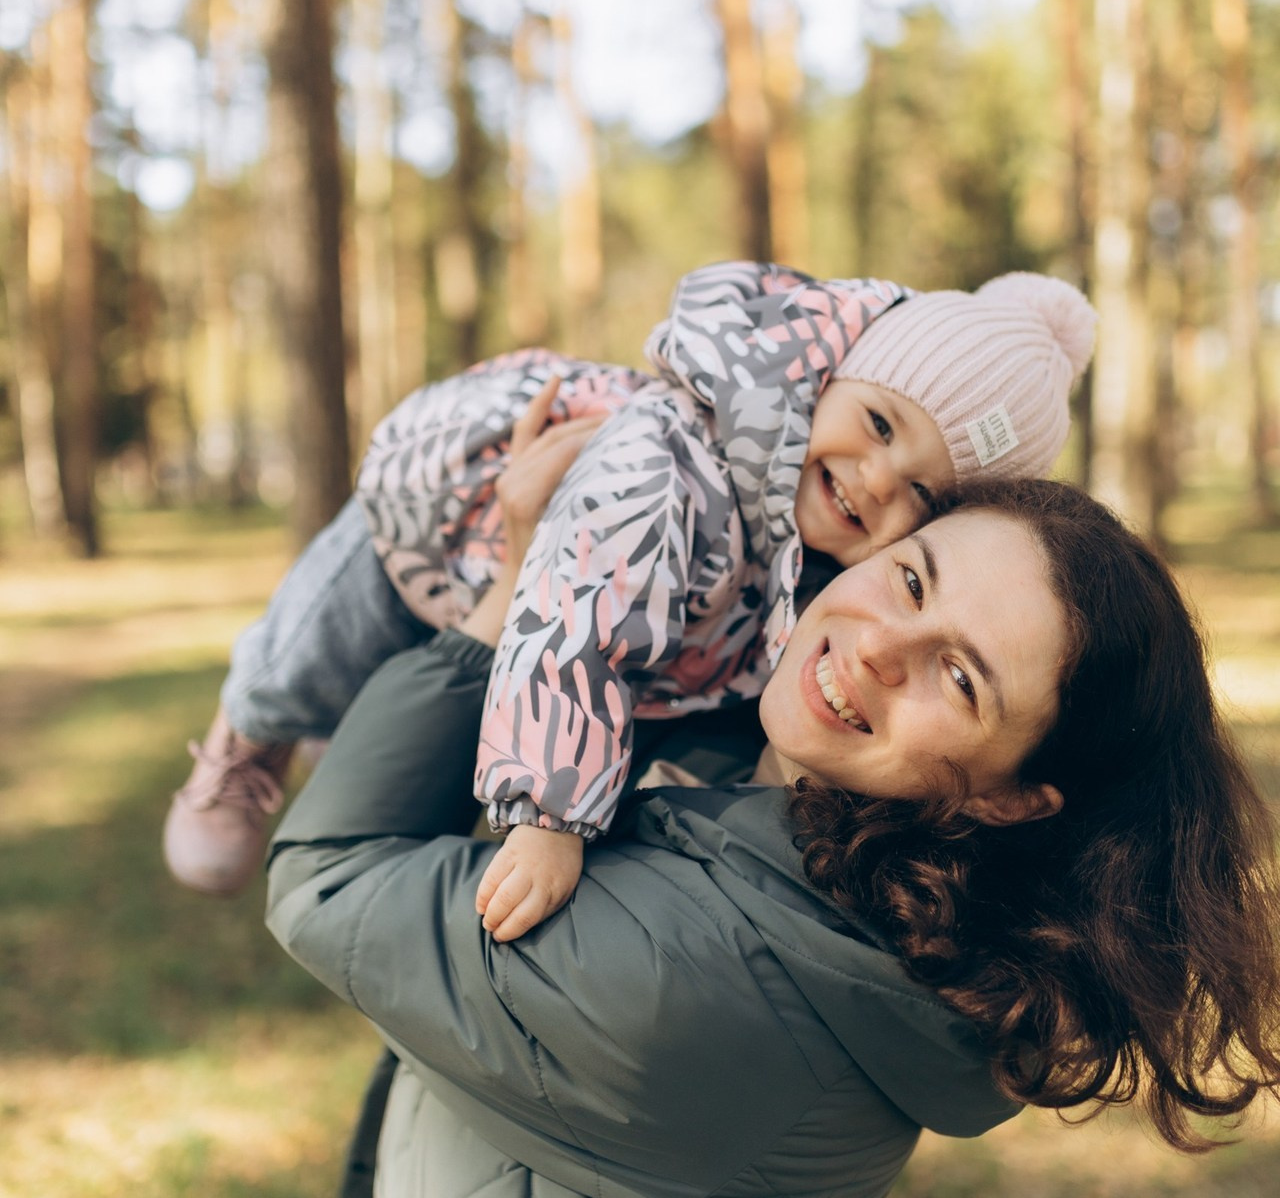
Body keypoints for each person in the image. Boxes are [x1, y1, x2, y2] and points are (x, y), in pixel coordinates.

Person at [264, 431, 1280, 1196]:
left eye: (959, 675)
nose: (880, 643)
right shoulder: (781, 812)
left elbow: (326, 876)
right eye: (911, 577)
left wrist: (517, 596)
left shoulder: (696, 980)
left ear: (1009, 795)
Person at [166, 261, 1095, 917]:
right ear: (826, 377)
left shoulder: (820, 553)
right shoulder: (672, 468)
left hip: (558, 609)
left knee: (406, 707)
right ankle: (243, 741)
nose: (879, 480)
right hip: (440, 512)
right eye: (880, 423)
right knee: (319, 638)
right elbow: (580, 619)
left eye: (925, 491)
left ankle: (352, 739)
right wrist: (551, 816)